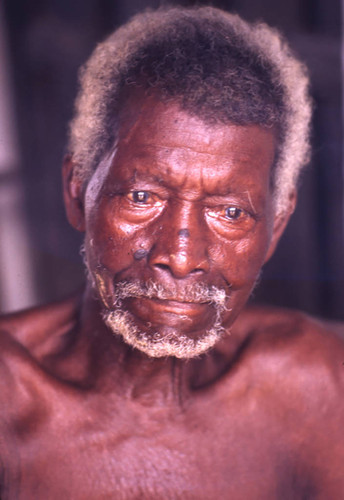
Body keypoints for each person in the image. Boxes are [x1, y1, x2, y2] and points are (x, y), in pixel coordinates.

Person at [0, 5, 343, 498]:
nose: (180, 258)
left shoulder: (321, 388)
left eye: (230, 213)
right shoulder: (11, 405)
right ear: (78, 192)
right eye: (142, 197)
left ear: (277, 226)